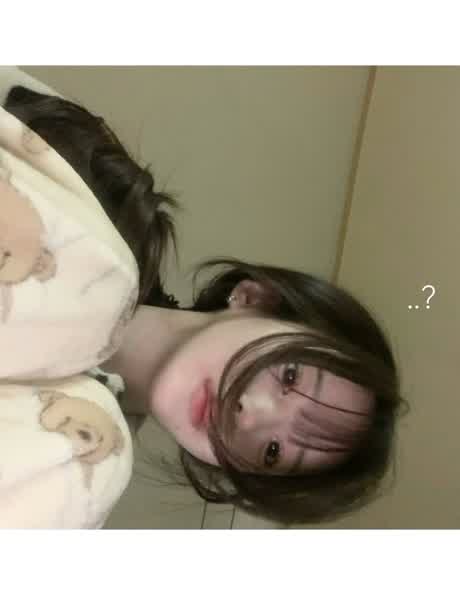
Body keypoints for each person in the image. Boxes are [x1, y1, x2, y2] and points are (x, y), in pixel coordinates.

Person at [3, 81, 407, 526]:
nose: (249, 415)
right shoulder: (95, 186)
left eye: (272, 452)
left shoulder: (73, 471)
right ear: (255, 297)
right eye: (290, 375)